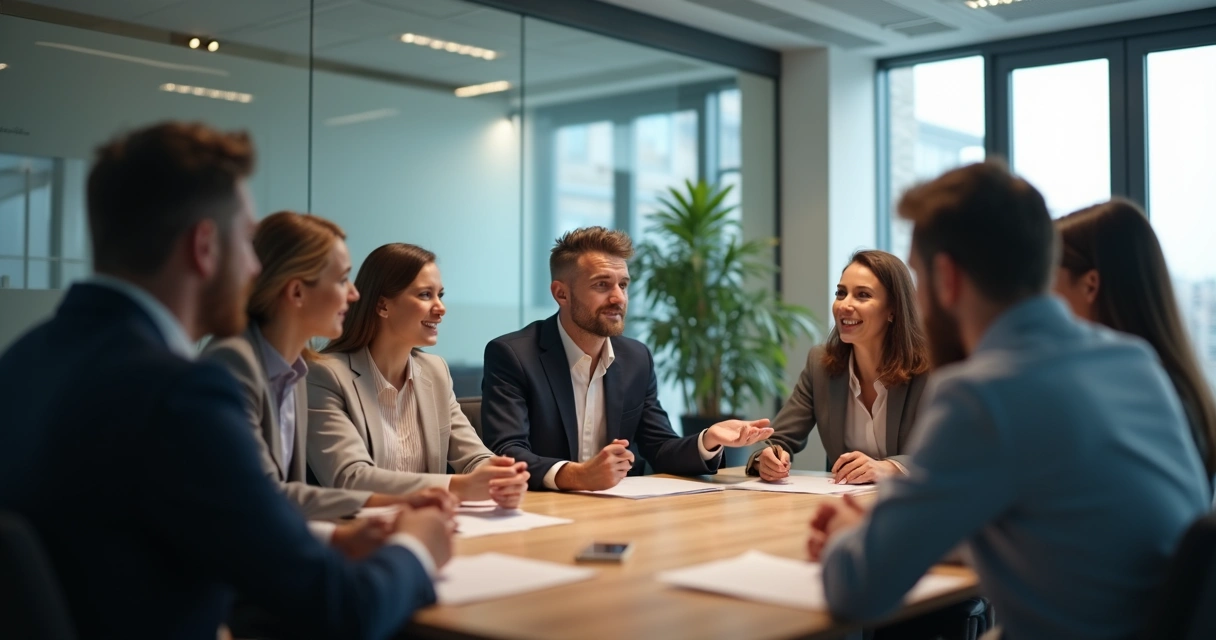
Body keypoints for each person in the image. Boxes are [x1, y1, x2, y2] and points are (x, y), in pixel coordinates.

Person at [0, 122, 454, 639]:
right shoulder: (178, 393)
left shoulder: (24, 358)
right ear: (204, 247)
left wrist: (330, 543)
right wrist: (417, 547)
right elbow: (340, 608)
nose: (256, 267)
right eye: (247, 242)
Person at [806, 161, 1209, 640]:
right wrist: (906, 518)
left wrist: (849, 538)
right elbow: (1062, 532)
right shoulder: (1134, 361)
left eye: (918, 277)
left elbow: (859, 591)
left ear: (947, 279)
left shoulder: (983, 395)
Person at [205, 211, 447, 533]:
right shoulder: (233, 365)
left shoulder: (295, 371)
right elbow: (259, 498)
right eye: (342, 279)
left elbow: (289, 498)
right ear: (296, 292)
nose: (354, 294)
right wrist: (380, 509)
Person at [481, 226, 773, 492]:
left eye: (623, 285)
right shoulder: (514, 355)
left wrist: (710, 438)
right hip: (541, 511)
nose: (618, 298)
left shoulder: (636, 358)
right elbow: (508, 451)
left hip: (619, 511)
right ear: (561, 294)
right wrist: (578, 475)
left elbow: (659, 447)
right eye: (601, 285)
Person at [308, 243, 530, 507]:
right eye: (425, 295)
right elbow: (350, 478)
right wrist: (456, 486)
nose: (440, 308)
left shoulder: (435, 371)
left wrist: (498, 475)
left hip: (432, 525)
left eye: (441, 295)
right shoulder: (325, 374)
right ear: (382, 305)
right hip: (358, 534)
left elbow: (472, 457)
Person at [1055, 198, 1216, 489]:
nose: (1043, 303)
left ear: (1090, 285)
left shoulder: (1121, 399)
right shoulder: (1175, 389)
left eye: (1048, 284)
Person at [747, 249, 930, 484]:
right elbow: (776, 439)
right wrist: (768, 458)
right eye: (841, 293)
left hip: (917, 509)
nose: (844, 305)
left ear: (893, 309)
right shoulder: (820, 364)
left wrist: (890, 468)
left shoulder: (930, 369)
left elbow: (950, 452)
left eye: (862, 295)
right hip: (843, 506)